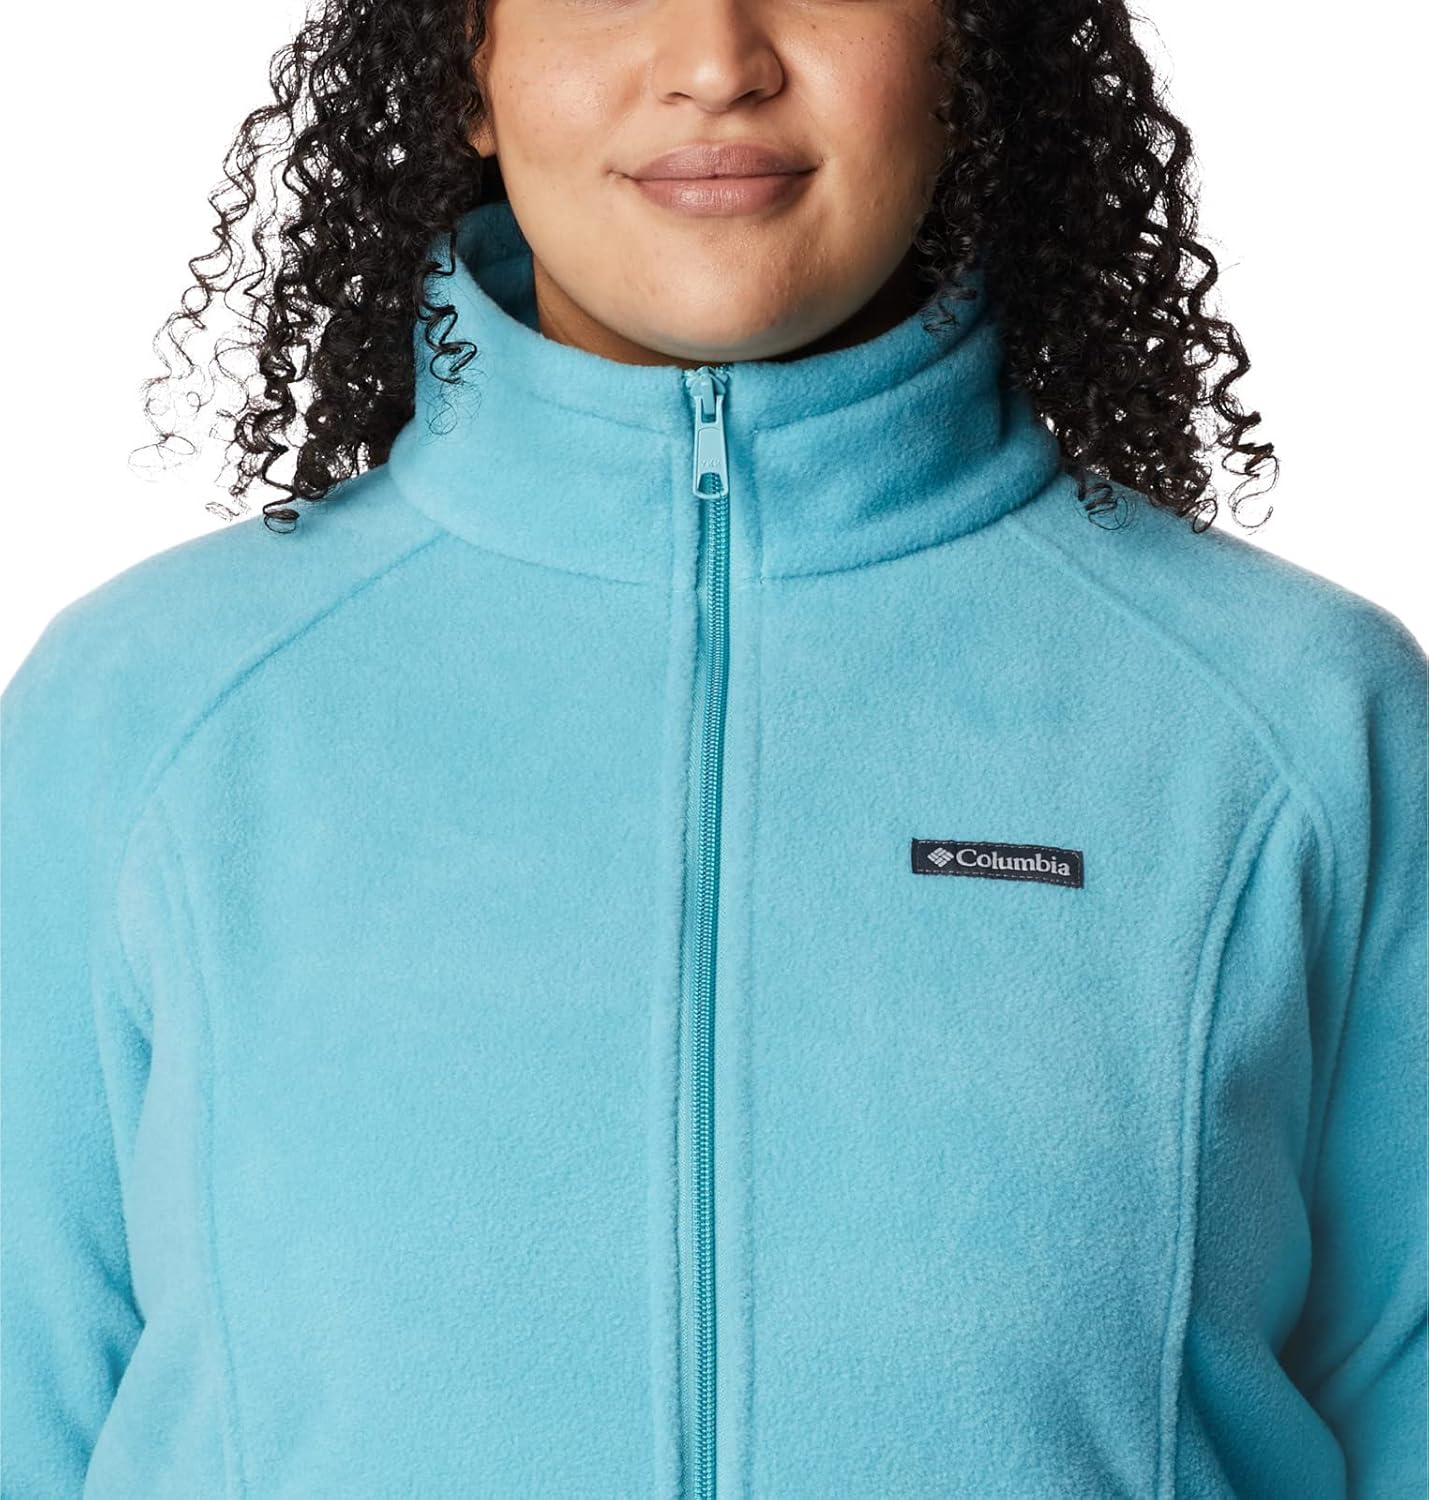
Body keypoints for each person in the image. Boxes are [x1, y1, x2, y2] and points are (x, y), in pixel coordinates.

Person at [2, 0, 1424, 1494]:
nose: (715, 62)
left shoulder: (1293, 719)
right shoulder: (146, 712)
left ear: (967, 49)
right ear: (466, 63)